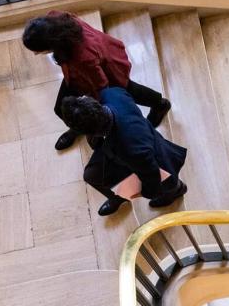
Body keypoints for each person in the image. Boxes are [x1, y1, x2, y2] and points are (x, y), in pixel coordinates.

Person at [23, 11, 171, 150]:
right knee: (60, 108)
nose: (36, 54)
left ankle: (160, 104)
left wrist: (95, 120)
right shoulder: (56, 17)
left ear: (52, 43)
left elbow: (102, 87)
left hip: (105, 69)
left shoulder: (82, 59)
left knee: (124, 89)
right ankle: (77, 127)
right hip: (94, 60)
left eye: (37, 50)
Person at [60, 87, 188, 215]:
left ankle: (176, 190)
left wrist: (145, 193)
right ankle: (117, 197)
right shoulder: (111, 94)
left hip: (153, 158)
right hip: (124, 147)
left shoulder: (133, 150)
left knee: (167, 182)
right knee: (91, 175)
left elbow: (153, 178)